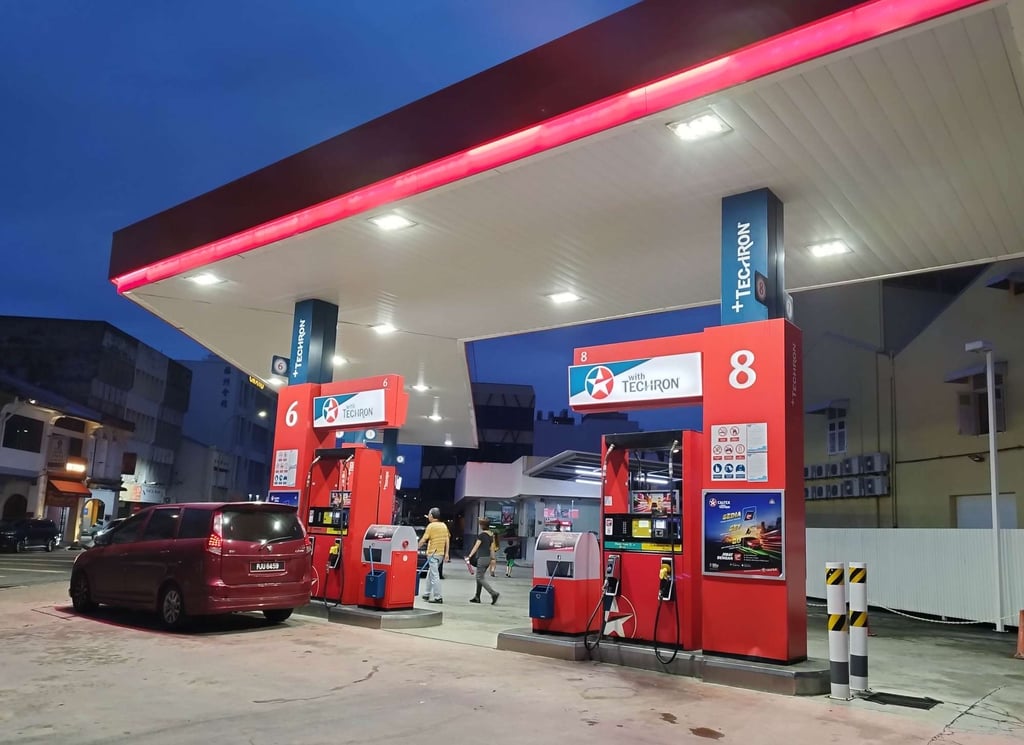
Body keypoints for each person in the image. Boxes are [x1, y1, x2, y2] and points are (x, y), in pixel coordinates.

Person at [417, 507, 449, 604]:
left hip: (433, 554)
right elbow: (447, 539)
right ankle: (426, 594)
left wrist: (415, 548)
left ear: (431, 516)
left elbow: (424, 539)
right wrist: (447, 553)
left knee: (434, 575)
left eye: (429, 515)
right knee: (430, 574)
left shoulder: (431, 526)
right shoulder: (444, 526)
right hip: (440, 554)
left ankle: (438, 597)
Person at [465, 517, 500, 605]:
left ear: (482, 526)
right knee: (479, 578)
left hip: (482, 558)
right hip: (487, 558)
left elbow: (476, 546)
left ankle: (493, 593)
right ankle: (477, 597)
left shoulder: (482, 535)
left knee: (479, 577)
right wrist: (493, 559)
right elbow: (492, 549)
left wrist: (469, 556)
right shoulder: (491, 535)